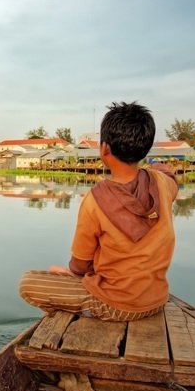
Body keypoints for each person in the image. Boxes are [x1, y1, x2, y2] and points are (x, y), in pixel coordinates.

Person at [19, 102, 179, 321]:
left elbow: (80, 265)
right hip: (156, 300)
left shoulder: (94, 200)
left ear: (104, 149)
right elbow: (169, 174)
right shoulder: (163, 184)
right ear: (145, 148)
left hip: (116, 305)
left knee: (28, 282)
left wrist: (71, 275)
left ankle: (87, 311)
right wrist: (153, 167)